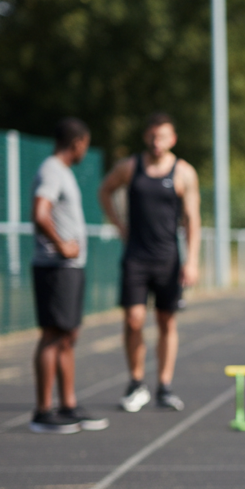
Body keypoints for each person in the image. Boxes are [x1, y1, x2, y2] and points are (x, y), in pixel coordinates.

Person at [98, 113, 200, 412]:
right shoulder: (130, 167)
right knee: (134, 320)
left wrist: (192, 261)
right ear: (146, 137)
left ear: (173, 139)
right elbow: (105, 190)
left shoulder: (184, 173)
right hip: (136, 257)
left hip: (168, 258)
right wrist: (119, 226)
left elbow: (193, 220)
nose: (157, 143)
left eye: (163, 137)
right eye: (153, 137)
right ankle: (136, 382)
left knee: (166, 321)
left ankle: (165, 386)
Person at [29, 118, 109, 434]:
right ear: (77, 143)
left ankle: (68, 404)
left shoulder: (62, 172)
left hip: (69, 269)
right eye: (85, 145)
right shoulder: (51, 170)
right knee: (52, 335)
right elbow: (39, 213)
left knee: (68, 335)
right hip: (55, 267)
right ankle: (42, 411)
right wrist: (61, 244)